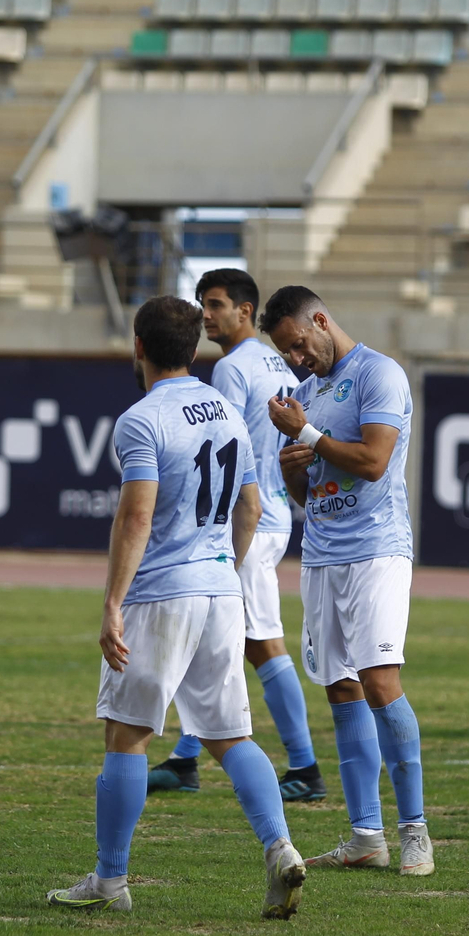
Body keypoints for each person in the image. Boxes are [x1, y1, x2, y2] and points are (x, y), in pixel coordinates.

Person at [47, 295, 306, 918]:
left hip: (162, 596)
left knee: (127, 735)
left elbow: (136, 514)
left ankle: (110, 882)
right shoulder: (227, 411)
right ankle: (281, 848)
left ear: (138, 346)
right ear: (194, 349)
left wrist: (112, 603)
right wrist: (227, 564)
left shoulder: (141, 419)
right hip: (221, 591)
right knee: (231, 737)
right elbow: (250, 507)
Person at [260, 286, 434, 876]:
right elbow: (318, 494)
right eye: (285, 353)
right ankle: (366, 835)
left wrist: (305, 436)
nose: (295, 359)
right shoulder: (306, 395)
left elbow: (374, 461)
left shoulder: (378, 375)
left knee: (380, 682)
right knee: (340, 688)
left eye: (298, 344)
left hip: (377, 551)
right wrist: (293, 474)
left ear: (321, 320)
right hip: (322, 555)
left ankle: (415, 830)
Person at [147, 269, 326, 802]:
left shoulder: (229, 369)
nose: (207, 314)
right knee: (216, 638)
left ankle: (306, 768)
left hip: (247, 519)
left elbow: (223, 452)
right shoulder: (282, 361)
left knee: (262, 643)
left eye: (217, 304)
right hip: (274, 514)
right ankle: (184, 758)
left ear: (245, 311)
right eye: (203, 303)